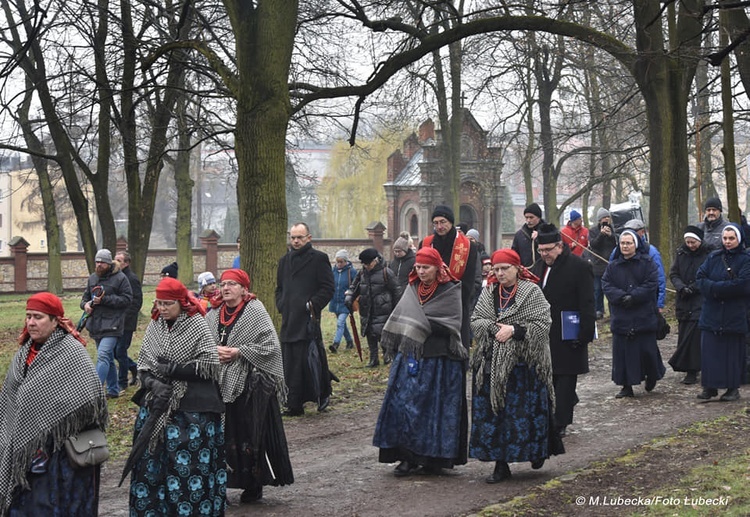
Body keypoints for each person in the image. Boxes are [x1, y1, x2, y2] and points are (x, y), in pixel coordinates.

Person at [0, 293, 108, 516]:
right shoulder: (23, 353)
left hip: (60, 457)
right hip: (25, 455)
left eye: (38, 317)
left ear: (55, 320)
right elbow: (11, 400)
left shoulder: (72, 352)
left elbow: (91, 398)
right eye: (28, 316)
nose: (31, 322)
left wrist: (53, 416)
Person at [127, 277, 226, 516]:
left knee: (188, 469)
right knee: (150, 467)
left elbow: (210, 365)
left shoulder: (197, 325)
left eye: (168, 303)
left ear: (182, 303)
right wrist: (152, 382)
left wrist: (175, 370)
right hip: (158, 405)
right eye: (159, 303)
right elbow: (144, 364)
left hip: (192, 411)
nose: (162, 308)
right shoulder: (155, 326)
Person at [469, 249, 563, 483]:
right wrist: (493, 328)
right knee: (496, 414)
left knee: (525, 414)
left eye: (504, 269)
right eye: (496, 269)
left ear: (517, 269)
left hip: (524, 366)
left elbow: (543, 323)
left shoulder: (531, 292)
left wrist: (515, 330)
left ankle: (536, 451)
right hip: (493, 366)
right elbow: (476, 319)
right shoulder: (489, 292)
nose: (499, 273)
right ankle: (501, 465)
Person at [373, 247, 468, 477]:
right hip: (411, 355)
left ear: (437, 267)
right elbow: (401, 316)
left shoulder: (450, 289)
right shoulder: (412, 287)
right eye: (418, 267)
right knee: (404, 406)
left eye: (426, 267)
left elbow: (452, 322)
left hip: (440, 358)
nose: (421, 271)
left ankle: (432, 458)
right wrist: (417, 324)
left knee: (434, 410)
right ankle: (407, 457)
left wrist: (419, 322)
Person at [206, 269, 293, 503]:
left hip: (248, 387)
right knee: (220, 436)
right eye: (223, 284)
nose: (226, 288)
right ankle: (219, 485)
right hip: (216, 382)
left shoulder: (255, 310)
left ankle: (252, 486)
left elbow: (271, 347)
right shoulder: (214, 313)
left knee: (248, 435)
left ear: (244, 288)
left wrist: (239, 352)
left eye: (232, 284)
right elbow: (202, 343)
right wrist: (214, 351)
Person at [530, 224, 596, 437]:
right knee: (549, 378)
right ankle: (553, 414)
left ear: (560, 246)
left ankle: (560, 423)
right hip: (543, 334)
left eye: (548, 250)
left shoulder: (579, 267)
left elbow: (587, 302)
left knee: (566, 379)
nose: (544, 254)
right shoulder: (539, 266)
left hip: (568, 333)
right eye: (541, 250)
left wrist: (584, 334)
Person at [275, 222, 335, 416]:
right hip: (289, 318)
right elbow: (280, 288)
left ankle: (322, 392)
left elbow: (327, 288)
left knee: (311, 360)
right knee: (290, 362)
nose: (296, 241)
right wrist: (281, 303)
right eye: (293, 237)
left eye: (299, 237)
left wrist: (312, 305)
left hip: (308, 319)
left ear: (309, 238)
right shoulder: (284, 261)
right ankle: (294, 403)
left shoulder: (318, 259)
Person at [602, 229, 665, 398]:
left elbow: (652, 283)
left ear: (636, 245)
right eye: (622, 243)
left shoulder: (647, 262)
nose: (625, 246)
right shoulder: (613, 265)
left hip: (643, 313)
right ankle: (626, 385)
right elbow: (606, 284)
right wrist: (622, 297)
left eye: (628, 243)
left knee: (647, 350)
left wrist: (634, 296)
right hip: (622, 314)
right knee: (623, 353)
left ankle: (651, 375)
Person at [694, 224, 750, 401]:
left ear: (738, 239)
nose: (727, 242)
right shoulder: (713, 257)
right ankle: (709, 387)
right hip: (712, 313)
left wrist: (715, 288)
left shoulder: (745, 260)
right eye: (725, 238)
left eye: (731, 238)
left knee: (731, 354)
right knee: (710, 352)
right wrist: (717, 288)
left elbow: (742, 285)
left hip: (734, 314)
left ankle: (732, 388)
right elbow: (700, 278)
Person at [421, 205, 479, 350]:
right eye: (435, 223)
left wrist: (455, 300)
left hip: (457, 304)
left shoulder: (467, 247)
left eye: (443, 222)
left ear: (451, 222)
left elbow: (469, 280)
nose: (439, 226)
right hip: (431, 303)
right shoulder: (426, 244)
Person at [81, 248, 133, 398]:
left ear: (109, 263)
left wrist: (105, 299)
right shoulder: (92, 278)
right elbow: (84, 298)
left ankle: (94, 392)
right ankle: (113, 390)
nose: (99, 265)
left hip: (113, 324)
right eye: (97, 262)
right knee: (108, 358)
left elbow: (127, 299)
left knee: (103, 355)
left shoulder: (120, 278)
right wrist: (85, 305)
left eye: (102, 262)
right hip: (96, 324)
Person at [346, 248, 402, 367]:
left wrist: (396, 310)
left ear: (375, 260)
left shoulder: (386, 273)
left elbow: (397, 291)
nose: (366, 266)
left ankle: (388, 356)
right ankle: (373, 359)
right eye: (364, 264)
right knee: (370, 334)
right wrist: (349, 296)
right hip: (367, 309)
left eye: (368, 263)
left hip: (383, 310)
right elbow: (354, 287)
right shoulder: (362, 273)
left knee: (383, 335)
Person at [668, 226, 709, 385]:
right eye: (688, 242)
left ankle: (693, 369)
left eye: (693, 242)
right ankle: (686, 367)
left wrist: (694, 287)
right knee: (684, 333)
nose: (690, 245)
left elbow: (707, 274)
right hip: (684, 300)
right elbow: (674, 273)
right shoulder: (681, 254)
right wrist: (681, 287)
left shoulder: (708, 254)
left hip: (700, 300)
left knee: (694, 335)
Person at [618, 219, 667, 312]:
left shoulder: (651, 251)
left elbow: (659, 277)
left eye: (634, 231)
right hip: (624, 302)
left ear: (642, 232)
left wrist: (659, 303)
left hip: (646, 301)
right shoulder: (618, 250)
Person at [115, 250, 143, 390]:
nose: (116, 262)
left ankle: (122, 382)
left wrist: (125, 317)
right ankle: (134, 367)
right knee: (115, 351)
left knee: (120, 350)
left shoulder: (131, 278)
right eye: (115, 259)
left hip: (126, 323)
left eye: (119, 260)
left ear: (126, 263)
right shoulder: (116, 277)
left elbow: (137, 301)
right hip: (115, 322)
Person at [587, 208, 617, 319]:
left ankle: (612, 311)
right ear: (599, 220)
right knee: (597, 290)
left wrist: (611, 235)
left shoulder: (614, 230)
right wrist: (601, 234)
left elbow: (617, 244)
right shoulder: (593, 231)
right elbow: (593, 245)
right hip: (598, 265)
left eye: (608, 217)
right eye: (604, 218)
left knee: (611, 290)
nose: (606, 219)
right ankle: (599, 310)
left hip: (610, 265)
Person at [328, 249, 356, 353]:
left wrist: (350, 292)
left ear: (346, 261)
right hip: (335, 301)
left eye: (341, 262)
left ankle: (336, 344)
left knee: (340, 323)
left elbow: (356, 285)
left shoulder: (351, 271)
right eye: (337, 261)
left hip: (346, 302)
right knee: (342, 324)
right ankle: (349, 341)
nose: (339, 264)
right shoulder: (333, 271)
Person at [512, 202, 545, 267]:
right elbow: (514, 254)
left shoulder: (549, 232)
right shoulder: (519, 235)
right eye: (526, 217)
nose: (528, 220)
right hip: (525, 270)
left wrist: (540, 237)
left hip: (543, 269)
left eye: (531, 217)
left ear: (538, 218)